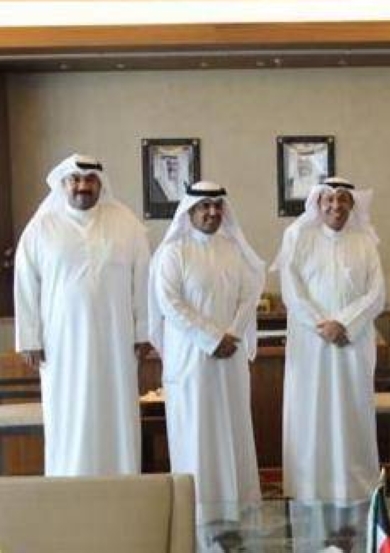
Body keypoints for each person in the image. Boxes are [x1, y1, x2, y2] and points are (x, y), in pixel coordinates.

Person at [14, 153, 151, 476]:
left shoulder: (126, 224)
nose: (82, 186)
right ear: (63, 184)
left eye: (90, 179)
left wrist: (143, 331)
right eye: (75, 179)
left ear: (100, 184)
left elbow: (143, 280)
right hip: (62, 344)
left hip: (115, 342)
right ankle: (69, 485)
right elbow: (25, 283)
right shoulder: (42, 227)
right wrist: (29, 338)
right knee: (68, 412)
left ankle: (121, 486)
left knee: (115, 412)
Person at [149, 181, 264, 523]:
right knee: (195, 431)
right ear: (190, 211)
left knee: (232, 427)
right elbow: (170, 303)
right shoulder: (174, 252)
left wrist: (232, 334)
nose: (212, 212)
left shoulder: (234, 250)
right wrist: (213, 339)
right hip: (191, 359)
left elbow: (250, 295)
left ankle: (237, 506)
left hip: (230, 356)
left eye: (217, 206)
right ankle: (198, 510)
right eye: (204, 207)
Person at [274, 176, 385, 505]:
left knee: (352, 412)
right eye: (329, 200)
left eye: (343, 200)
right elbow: (292, 290)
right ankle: (310, 488)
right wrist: (322, 324)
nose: (336, 206)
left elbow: (376, 293)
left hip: (353, 341)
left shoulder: (365, 241)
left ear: (352, 204)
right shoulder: (298, 236)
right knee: (311, 412)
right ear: (318, 204)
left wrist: (344, 323)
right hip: (311, 344)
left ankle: (355, 487)